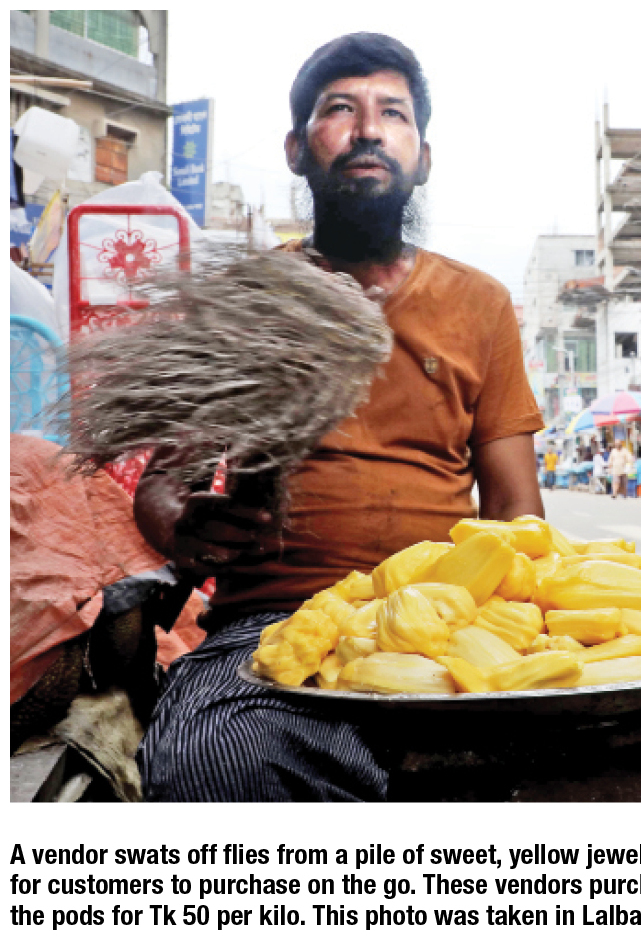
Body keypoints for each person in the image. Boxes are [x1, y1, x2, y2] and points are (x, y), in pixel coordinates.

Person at [132, 33, 547, 800]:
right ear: (297, 149)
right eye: (340, 110)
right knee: (209, 758)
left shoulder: (480, 304)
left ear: (423, 158)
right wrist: (184, 527)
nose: (367, 130)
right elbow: (162, 486)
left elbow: (518, 510)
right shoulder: (248, 300)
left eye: (393, 113)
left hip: (454, 620)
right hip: (275, 628)